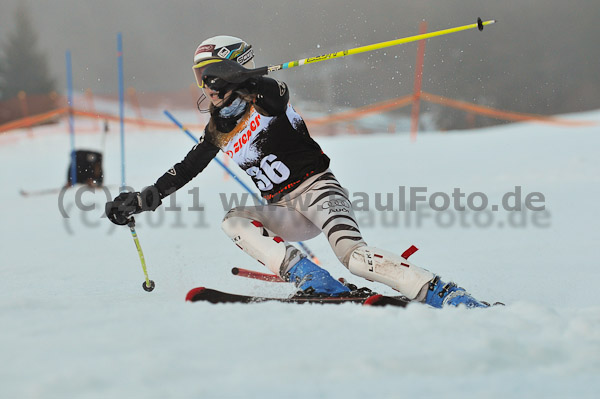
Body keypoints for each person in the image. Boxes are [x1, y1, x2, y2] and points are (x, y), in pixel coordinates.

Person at [105, 35, 488, 308]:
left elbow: (273, 95)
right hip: (286, 211)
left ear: (228, 71)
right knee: (234, 221)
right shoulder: (219, 128)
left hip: (319, 191)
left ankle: (442, 292)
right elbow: (187, 168)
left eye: (209, 76)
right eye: (200, 78)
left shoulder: (266, 99)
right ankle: (311, 278)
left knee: (353, 258)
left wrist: (244, 79)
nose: (205, 86)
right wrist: (141, 199)